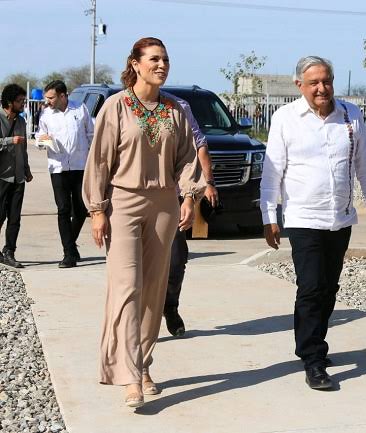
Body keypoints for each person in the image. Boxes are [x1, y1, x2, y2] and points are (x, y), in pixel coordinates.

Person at [82, 37, 204, 408]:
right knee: (127, 288)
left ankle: (143, 363)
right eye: (154, 59)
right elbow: (99, 160)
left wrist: (189, 196)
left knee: (153, 291)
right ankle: (129, 375)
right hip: (123, 203)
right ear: (135, 64)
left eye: (165, 59)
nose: (161, 65)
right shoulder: (116, 106)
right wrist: (97, 210)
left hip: (164, 205)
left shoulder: (174, 109)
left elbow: (188, 157)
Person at [260, 56, 366, 390]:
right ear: (299, 85)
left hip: (339, 219)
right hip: (303, 219)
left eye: (326, 81)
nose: (321, 88)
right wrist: (269, 218)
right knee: (311, 286)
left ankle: (314, 341)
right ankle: (313, 358)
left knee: (329, 288)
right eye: (314, 82)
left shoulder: (350, 115)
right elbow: (272, 174)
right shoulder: (286, 118)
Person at [161, 91, 219, 337]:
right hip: (137, 198)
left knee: (176, 258)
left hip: (175, 195)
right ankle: (142, 318)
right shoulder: (124, 105)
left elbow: (199, 144)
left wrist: (208, 183)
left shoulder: (179, 106)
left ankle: (170, 306)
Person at [36, 80, 94, 268]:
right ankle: (68, 253)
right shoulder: (46, 114)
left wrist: (94, 161)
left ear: (63, 96)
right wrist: (42, 140)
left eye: (51, 97)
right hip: (58, 168)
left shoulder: (80, 109)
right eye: (46, 98)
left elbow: (91, 135)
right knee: (63, 209)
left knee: (81, 209)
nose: (48, 101)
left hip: (80, 167)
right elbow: (39, 137)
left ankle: (71, 244)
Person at [0, 84, 33, 268]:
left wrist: (26, 169)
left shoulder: (21, 121)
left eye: (23, 100)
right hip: (2, 176)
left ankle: (9, 251)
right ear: (9, 102)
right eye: (19, 101)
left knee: (15, 218)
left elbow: (24, 148)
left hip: (18, 176)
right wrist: (9, 141)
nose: (23, 104)